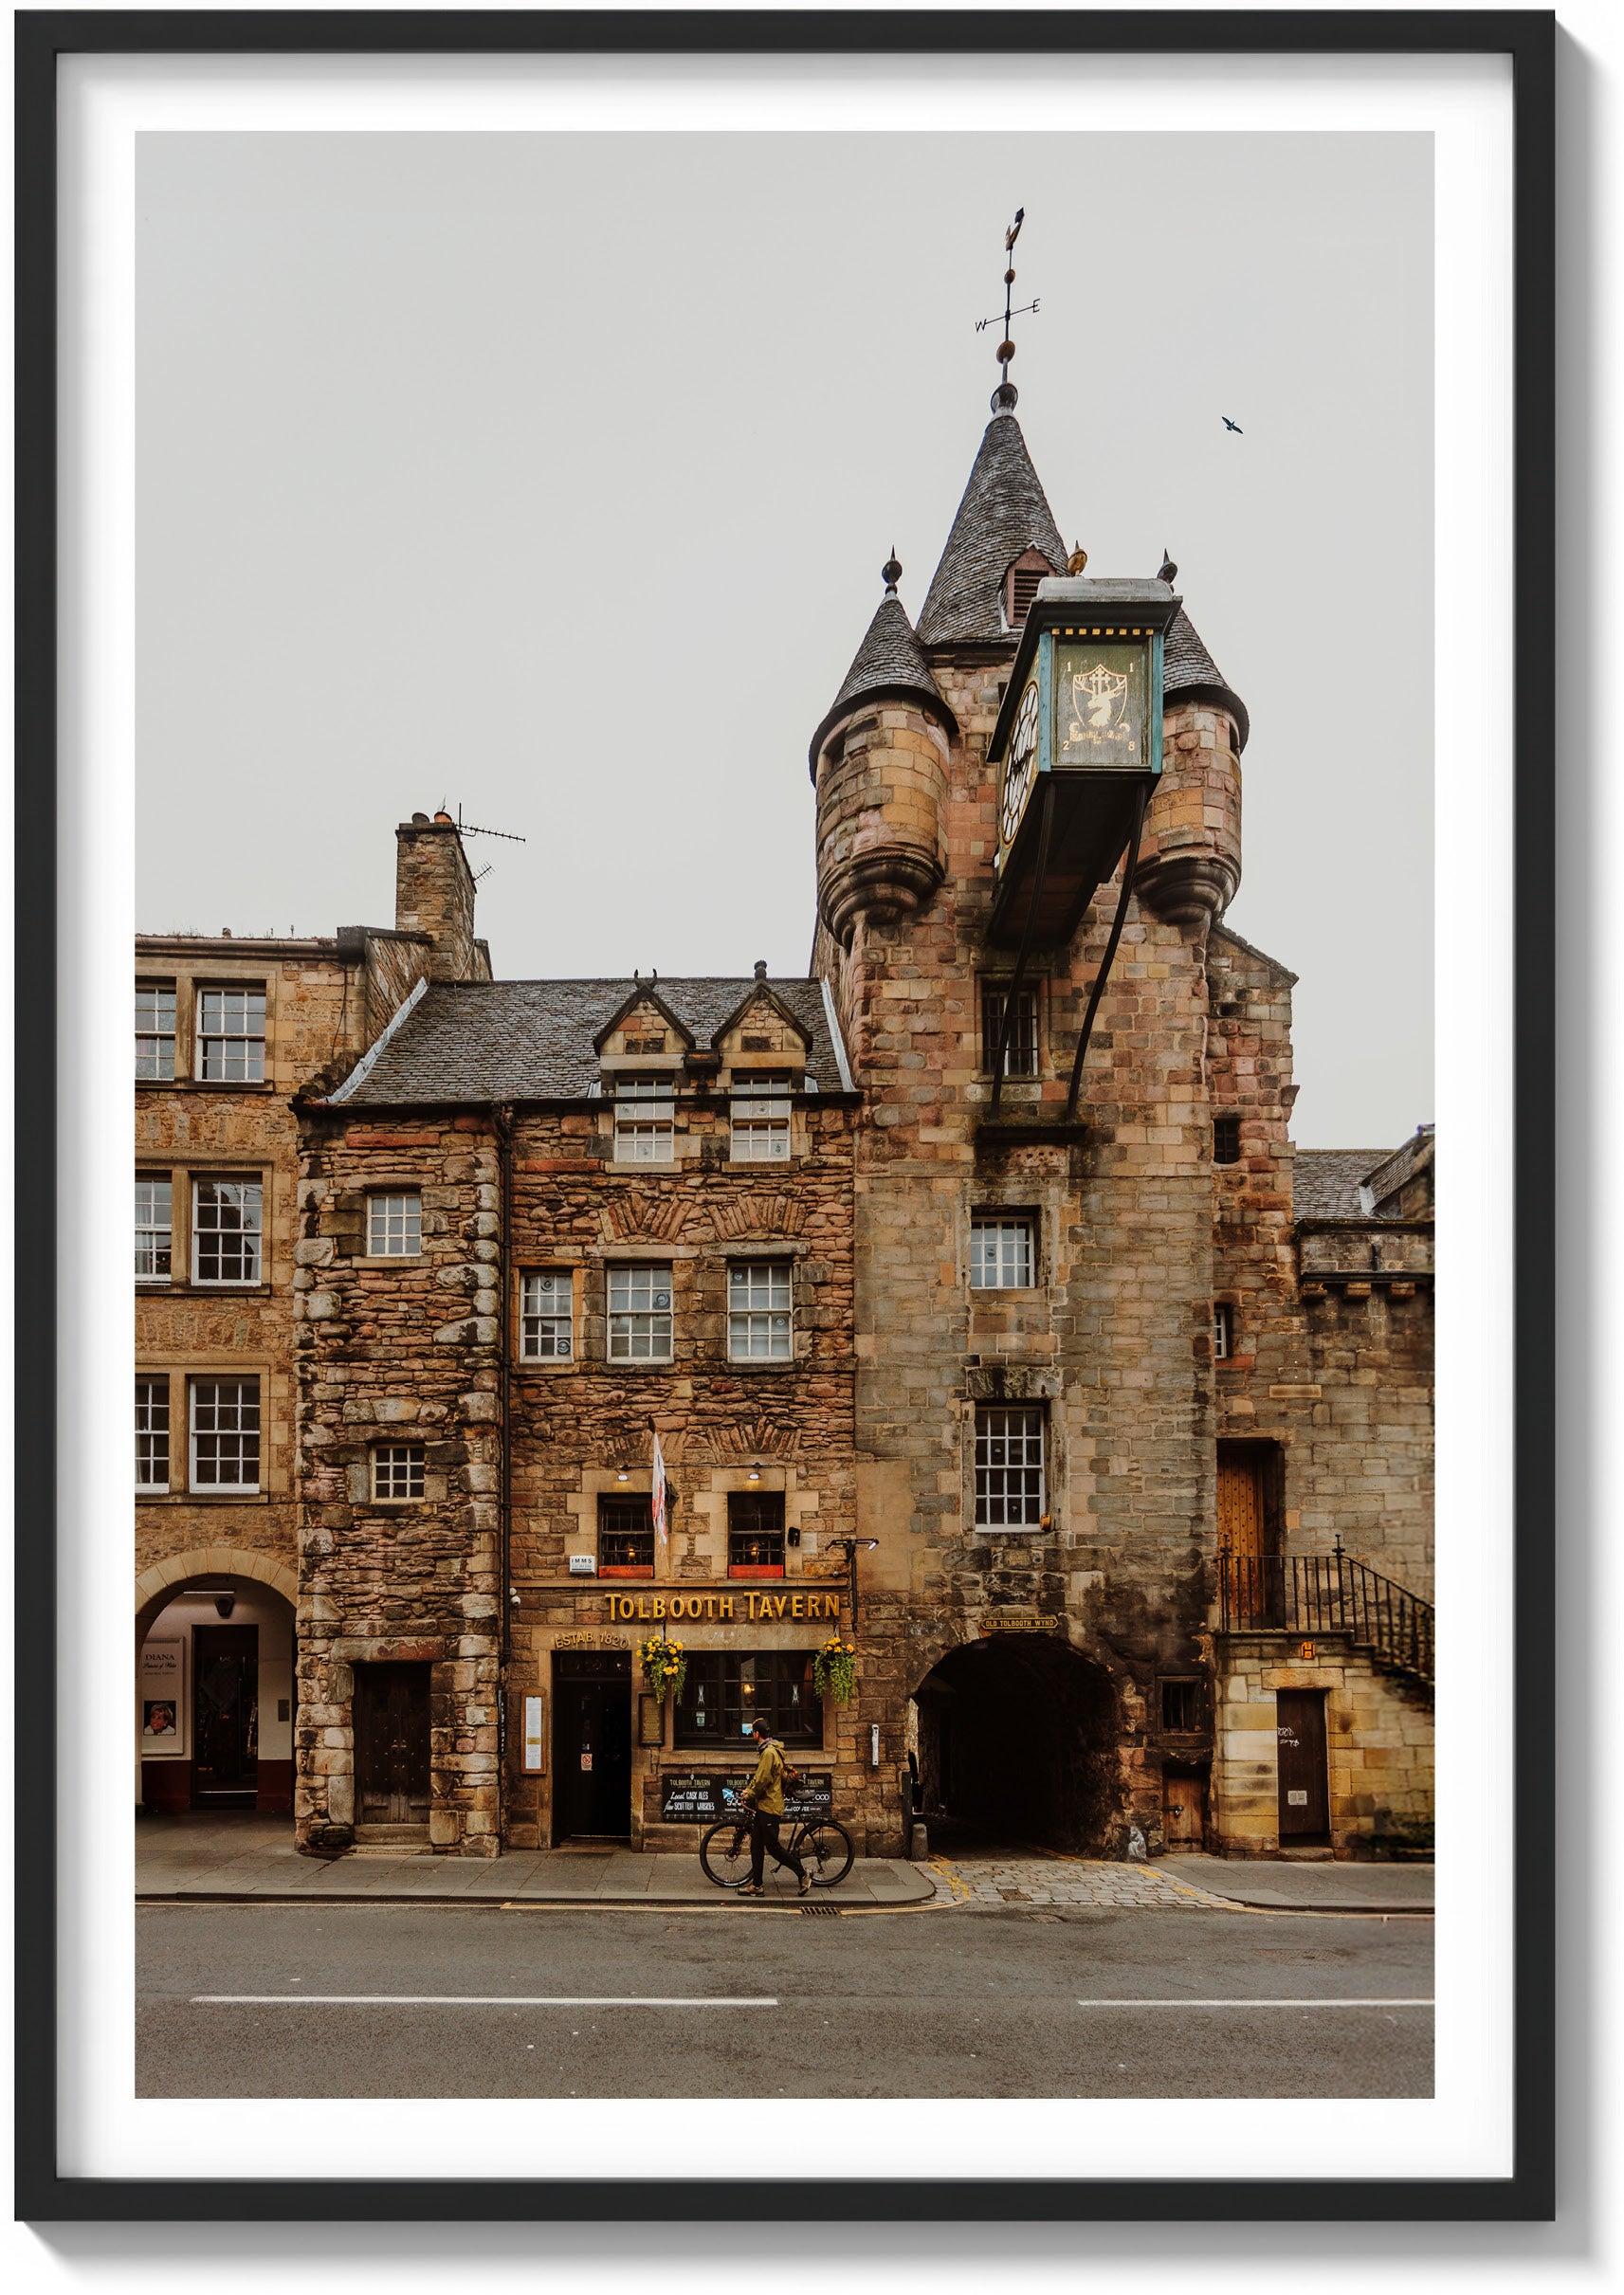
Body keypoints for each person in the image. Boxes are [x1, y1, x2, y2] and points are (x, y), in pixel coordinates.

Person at [738, 1715, 811, 1898]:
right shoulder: (767, 1750)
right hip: (764, 1805)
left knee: (774, 1848)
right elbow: (760, 1777)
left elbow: (763, 1780)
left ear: (757, 1733)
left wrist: (750, 1794)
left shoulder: (769, 1753)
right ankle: (757, 1885)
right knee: (756, 1845)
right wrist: (749, 1790)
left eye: (752, 1732)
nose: (751, 1735)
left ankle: (803, 1874)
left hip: (770, 1806)